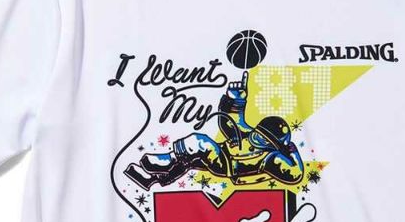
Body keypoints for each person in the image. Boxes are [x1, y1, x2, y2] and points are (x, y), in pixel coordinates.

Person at [124, 71, 304, 190]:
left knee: (199, 142)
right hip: (221, 156)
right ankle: (152, 178)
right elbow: (232, 123)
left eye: (264, 140)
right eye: (258, 135)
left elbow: (295, 175)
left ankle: (168, 160)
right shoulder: (249, 135)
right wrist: (236, 99)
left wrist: (292, 152)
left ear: (274, 146)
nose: (257, 140)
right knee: (189, 161)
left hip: (227, 165)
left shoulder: (271, 158)